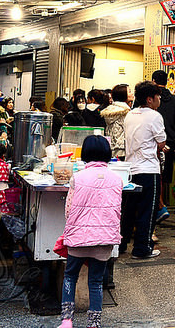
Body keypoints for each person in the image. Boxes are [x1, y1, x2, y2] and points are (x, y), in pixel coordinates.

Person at [58, 135, 122, 328]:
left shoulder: (77, 177)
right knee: (95, 281)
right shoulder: (117, 179)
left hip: (79, 239)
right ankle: (94, 324)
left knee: (70, 276)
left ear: (85, 153)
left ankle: (67, 320)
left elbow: (68, 210)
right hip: (104, 240)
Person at [120, 81, 166, 259]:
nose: (159, 99)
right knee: (148, 209)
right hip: (148, 169)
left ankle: (121, 244)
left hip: (131, 169)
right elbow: (161, 143)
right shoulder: (154, 116)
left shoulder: (130, 115)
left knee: (129, 209)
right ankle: (142, 248)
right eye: (157, 96)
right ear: (149, 99)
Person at [152, 70, 175, 222]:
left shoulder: (152, 100)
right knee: (163, 178)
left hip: (156, 144)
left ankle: (159, 206)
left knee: (156, 176)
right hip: (170, 142)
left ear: (154, 81)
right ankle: (162, 205)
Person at [102, 84, 131, 159]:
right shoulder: (125, 112)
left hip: (110, 147)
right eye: (129, 91)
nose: (132, 94)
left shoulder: (109, 111)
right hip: (122, 149)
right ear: (123, 95)